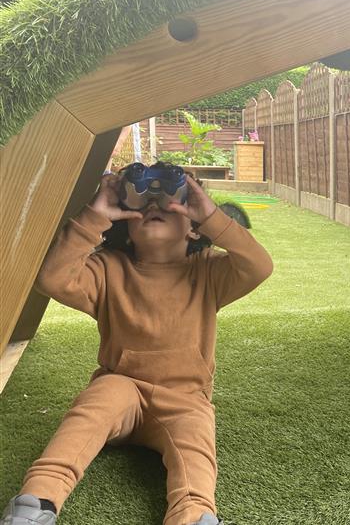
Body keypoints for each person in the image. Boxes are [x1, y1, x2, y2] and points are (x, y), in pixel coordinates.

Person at [1, 168, 273, 525]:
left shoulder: (209, 272)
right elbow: (53, 279)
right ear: (124, 227)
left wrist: (211, 215)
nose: (154, 206)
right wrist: (96, 213)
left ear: (194, 228)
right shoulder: (107, 269)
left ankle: (194, 514)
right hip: (122, 386)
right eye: (142, 203)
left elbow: (259, 266)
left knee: (195, 447)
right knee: (91, 411)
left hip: (185, 398)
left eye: (168, 201)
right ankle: (37, 501)